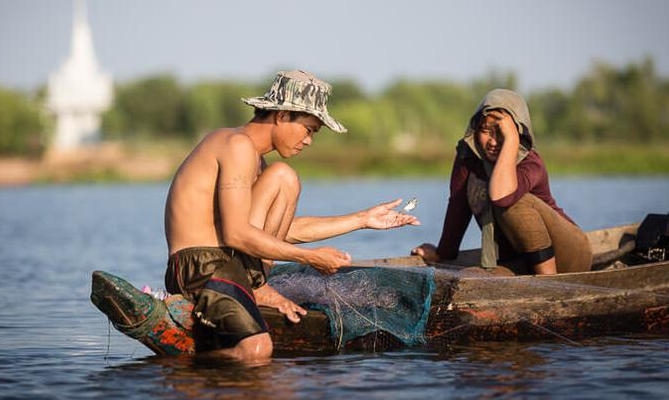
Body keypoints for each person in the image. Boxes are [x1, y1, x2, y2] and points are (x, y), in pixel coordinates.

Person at [164, 70, 420, 362]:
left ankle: (255, 286)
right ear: (282, 116)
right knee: (257, 350)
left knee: (283, 178)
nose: (309, 141)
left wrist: (362, 219)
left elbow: (280, 232)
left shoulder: (253, 157)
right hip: (202, 268)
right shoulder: (237, 146)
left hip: (221, 262)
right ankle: (186, 367)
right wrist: (310, 257)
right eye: (309, 129)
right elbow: (237, 234)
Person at [412, 88, 591, 276]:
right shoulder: (469, 159)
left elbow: (502, 196)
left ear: (517, 132)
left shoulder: (530, 162)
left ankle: (549, 284)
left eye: (501, 132)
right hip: (517, 260)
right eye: (485, 130)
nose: (493, 141)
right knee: (471, 278)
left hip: (570, 255)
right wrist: (442, 254)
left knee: (514, 201)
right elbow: (458, 206)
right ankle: (537, 282)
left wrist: (511, 139)